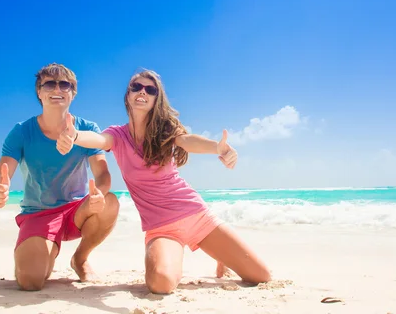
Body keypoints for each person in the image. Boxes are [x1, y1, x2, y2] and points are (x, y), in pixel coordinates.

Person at [56, 69, 271, 294]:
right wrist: (75, 136)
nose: (142, 92)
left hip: (196, 215)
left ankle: (219, 255)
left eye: (150, 89)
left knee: (261, 275)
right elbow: (99, 139)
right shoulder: (118, 135)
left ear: (157, 98)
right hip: (162, 228)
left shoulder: (165, 130)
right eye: (136, 87)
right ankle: (177, 252)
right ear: (128, 94)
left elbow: (187, 141)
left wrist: (216, 147)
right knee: (160, 284)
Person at [0, 63, 120, 291]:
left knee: (110, 203)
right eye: (49, 83)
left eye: (64, 84)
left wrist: (99, 192)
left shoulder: (87, 128)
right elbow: (0, 175)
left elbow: (103, 173)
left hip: (76, 211)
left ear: (73, 93)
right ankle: (46, 246)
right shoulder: (21, 132)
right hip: (38, 214)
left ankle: (80, 259)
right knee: (31, 282)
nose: (56, 89)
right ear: (39, 92)